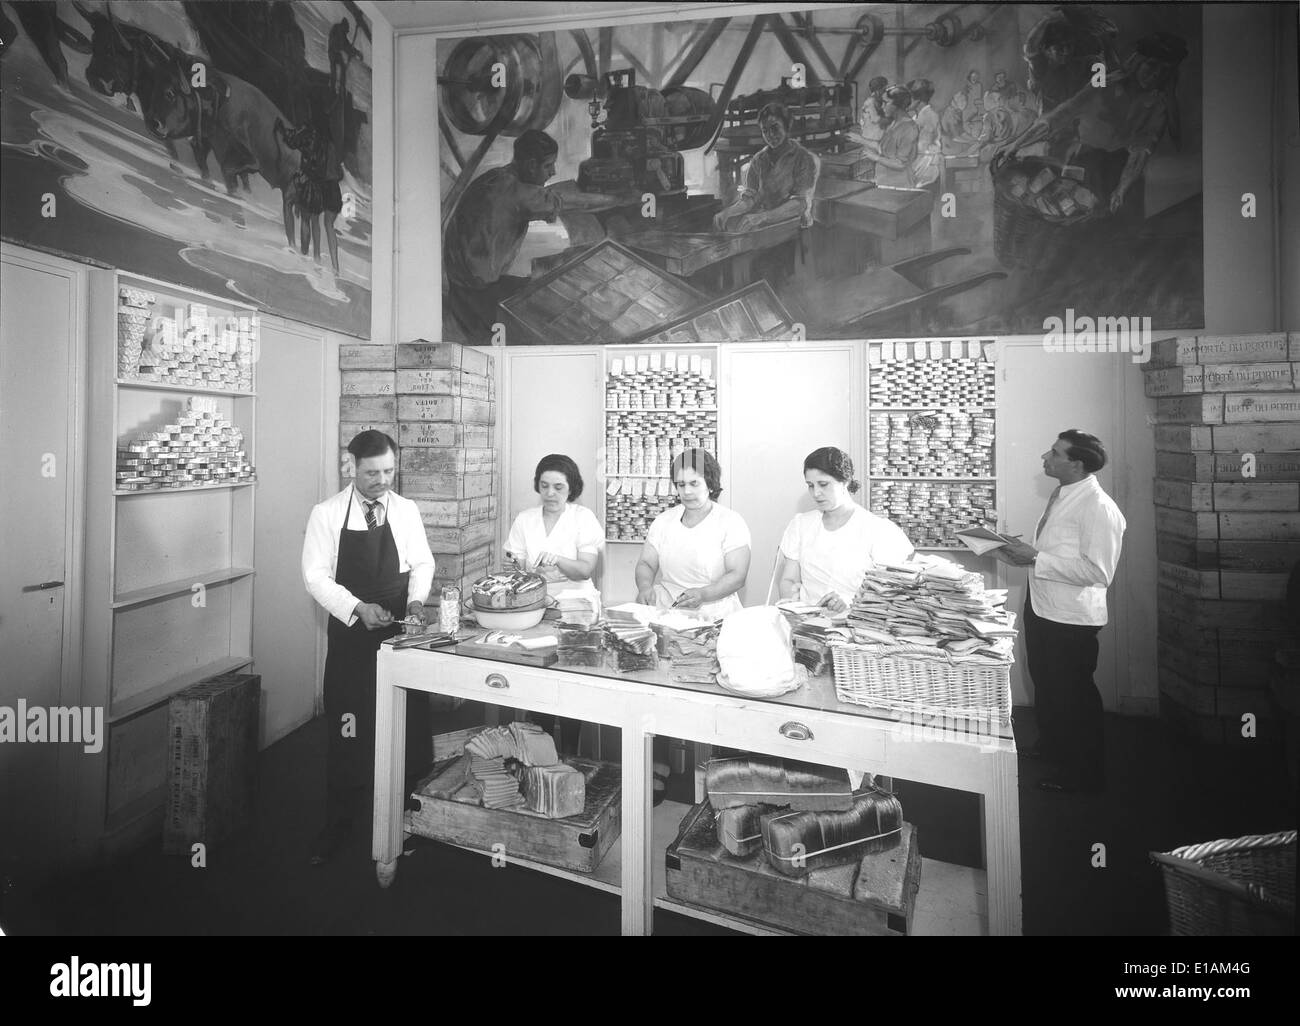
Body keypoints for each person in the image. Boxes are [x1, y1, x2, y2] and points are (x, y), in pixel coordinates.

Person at [301, 430, 435, 864]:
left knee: (408, 725)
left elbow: (423, 561)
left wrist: (415, 601)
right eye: (372, 472)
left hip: (399, 630)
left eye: (389, 471)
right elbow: (315, 577)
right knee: (350, 728)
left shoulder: (406, 509)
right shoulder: (326, 514)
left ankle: (407, 820)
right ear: (351, 467)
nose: (382, 480)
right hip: (353, 636)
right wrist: (357, 607)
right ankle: (338, 824)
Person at [994, 430, 1126, 794]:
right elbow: (1060, 551)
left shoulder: (1099, 507)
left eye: (1054, 453)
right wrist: (1020, 551)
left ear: (1076, 463)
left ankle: (1084, 775)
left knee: (1074, 697)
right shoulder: (1064, 493)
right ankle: (1053, 748)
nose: (1045, 457)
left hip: (1071, 620)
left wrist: (1036, 557)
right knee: (1048, 686)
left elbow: (1099, 573)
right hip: (1044, 608)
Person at [777, 447, 913, 614]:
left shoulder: (877, 530)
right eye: (810, 485)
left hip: (856, 624)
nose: (816, 493)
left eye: (823, 484)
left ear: (845, 481)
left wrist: (849, 605)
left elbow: (888, 595)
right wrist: (795, 607)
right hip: (806, 624)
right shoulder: (801, 525)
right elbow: (789, 580)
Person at [635, 449, 751, 620]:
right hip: (667, 610)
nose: (687, 491)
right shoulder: (663, 521)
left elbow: (737, 576)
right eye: (681, 485)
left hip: (714, 613)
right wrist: (645, 587)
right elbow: (646, 563)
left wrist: (703, 594)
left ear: (710, 484)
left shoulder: (730, 522)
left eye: (694, 483)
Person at [504, 454, 604, 598]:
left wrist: (558, 560)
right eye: (544, 486)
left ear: (570, 489)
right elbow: (516, 568)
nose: (550, 493)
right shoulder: (525, 519)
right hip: (534, 597)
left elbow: (585, 570)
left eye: (558, 487)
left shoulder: (583, 517)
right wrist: (512, 566)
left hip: (577, 599)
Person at [859, 85, 919, 189]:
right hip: (885, 182)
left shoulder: (909, 127)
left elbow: (901, 164)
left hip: (900, 185)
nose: (882, 107)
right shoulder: (893, 123)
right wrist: (861, 141)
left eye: (886, 102)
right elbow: (885, 148)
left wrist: (876, 158)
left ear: (897, 105)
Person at [907, 78, 941, 191]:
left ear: (918, 99)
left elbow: (922, 148)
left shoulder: (929, 116)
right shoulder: (917, 117)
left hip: (925, 174)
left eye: (908, 97)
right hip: (918, 171)